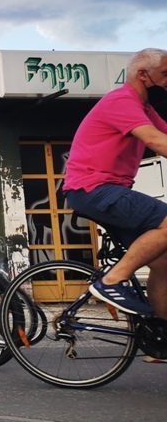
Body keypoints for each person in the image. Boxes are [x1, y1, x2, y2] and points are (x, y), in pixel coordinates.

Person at [64, 47, 167, 318]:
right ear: (143, 75)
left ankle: (159, 334)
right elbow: (155, 140)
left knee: (163, 263)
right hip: (94, 189)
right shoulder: (121, 101)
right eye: (165, 74)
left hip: (108, 191)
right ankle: (111, 282)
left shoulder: (144, 108)